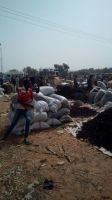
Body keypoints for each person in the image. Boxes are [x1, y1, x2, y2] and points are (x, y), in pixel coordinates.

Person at [1, 79, 35, 145]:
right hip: (20, 109)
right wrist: (27, 102)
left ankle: (26, 138)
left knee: (28, 120)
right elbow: (19, 100)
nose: (30, 84)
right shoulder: (21, 90)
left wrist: (27, 102)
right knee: (13, 123)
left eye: (30, 83)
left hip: (26, 109)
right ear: (26, 84)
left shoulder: (30, 91)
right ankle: (5, 136)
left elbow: (31, 99)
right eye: (29, 83)